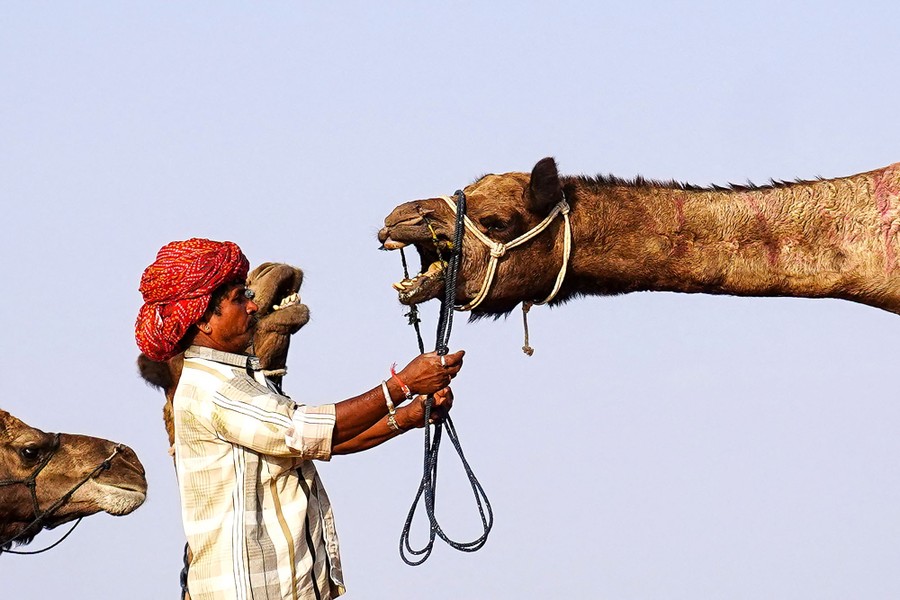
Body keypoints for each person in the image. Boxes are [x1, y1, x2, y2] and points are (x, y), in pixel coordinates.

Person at [135, 238, 464, 600]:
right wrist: (402, 384)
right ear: (203, 320)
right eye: (238, 299)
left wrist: (407, 417)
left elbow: (316, 443)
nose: (253, 305)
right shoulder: (215, 389)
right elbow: (303, 431)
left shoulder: (242, 380)